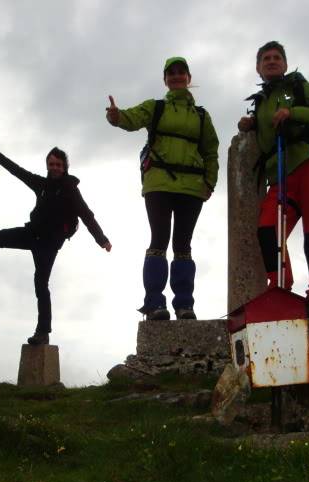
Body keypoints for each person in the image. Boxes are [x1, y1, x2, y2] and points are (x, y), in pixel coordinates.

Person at [0, 138, 111, 345]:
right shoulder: (41, 184)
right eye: (51, 164)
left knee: (40, 284)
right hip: (31, 234)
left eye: (59, 165)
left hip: (49, 244)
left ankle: (43, 333)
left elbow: (87, 215)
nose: (55, 168)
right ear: (47, 165)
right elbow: (17, 171)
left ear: (65, 167)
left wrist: (102, 239)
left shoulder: (70, 190)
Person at [106, 56, 219, 320]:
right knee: (159, 240)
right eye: (172, 73)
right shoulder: (155, 107)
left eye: (181, 73)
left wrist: (209, 182)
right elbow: (131, 118)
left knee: (183, 244)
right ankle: (155, 304)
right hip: (158, 183)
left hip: (192, 187)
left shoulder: (202, 116)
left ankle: (184, 305)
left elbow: (211, 152)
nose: (177, 77)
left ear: (189, 78)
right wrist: (116, 116)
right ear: (165, 80)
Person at [238, 41, 309, 325]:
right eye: (266, 59)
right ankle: (280, 287)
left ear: (284, 63)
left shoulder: (302, 88)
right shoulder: (260, 104)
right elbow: (265, 134)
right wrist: (251, 124)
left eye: (276, 57)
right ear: (258, 68)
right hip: (282, 176)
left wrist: (293, 112)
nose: (272, 62)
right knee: (268, 229)